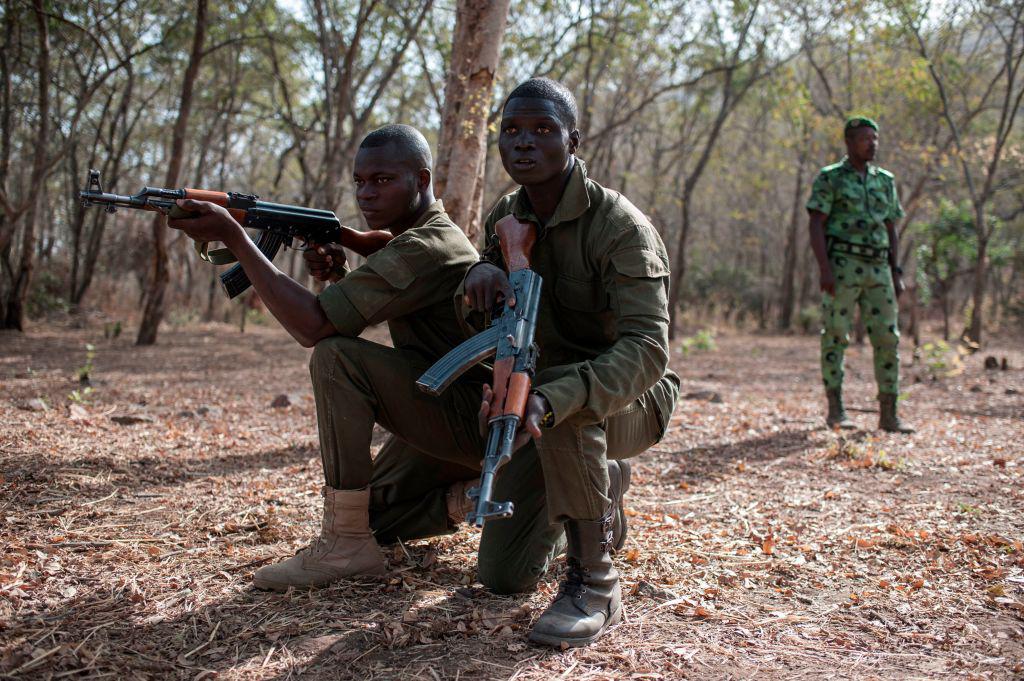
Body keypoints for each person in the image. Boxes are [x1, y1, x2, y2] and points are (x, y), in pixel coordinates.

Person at [167, 124, 629, 598]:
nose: (367, 193)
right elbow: (359, 310)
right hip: (444, 407)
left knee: (335, 358)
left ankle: (347, 544)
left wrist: (235, 236)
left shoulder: (427, 245)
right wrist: (340, 270)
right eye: (360, 181)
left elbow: (314, 328)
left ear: (422, 181)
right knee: (375, 519)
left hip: (483, 417)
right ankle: (460, 500)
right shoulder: (411, 241)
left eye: (384, 180)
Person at [462, 78, 680, 647]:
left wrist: (555, 398)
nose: (523, 144)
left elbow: (648, 352)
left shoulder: (620, 228)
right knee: (503, 576)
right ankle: (598, 490)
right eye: (511, 131)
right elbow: (505, 327)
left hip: (630, 399)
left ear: (574, 141)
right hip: (539, 402)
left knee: (564, 396)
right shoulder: (505, 217)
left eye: (542, 130)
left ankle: (596, 583)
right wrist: (479, 275)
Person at [806, 116, 913, 433]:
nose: (873, 144)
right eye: (866, 139)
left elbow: (891, 227)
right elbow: (816, 223)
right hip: (843, 266)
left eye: (875, 138)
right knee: (836, 335)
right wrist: (825, 269)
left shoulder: (885, 181)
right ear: (850, 143)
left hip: (879, 268)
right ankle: (836, 409)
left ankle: (889, 413)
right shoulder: (831, 178)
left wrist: (896, 271)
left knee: (887, 337)